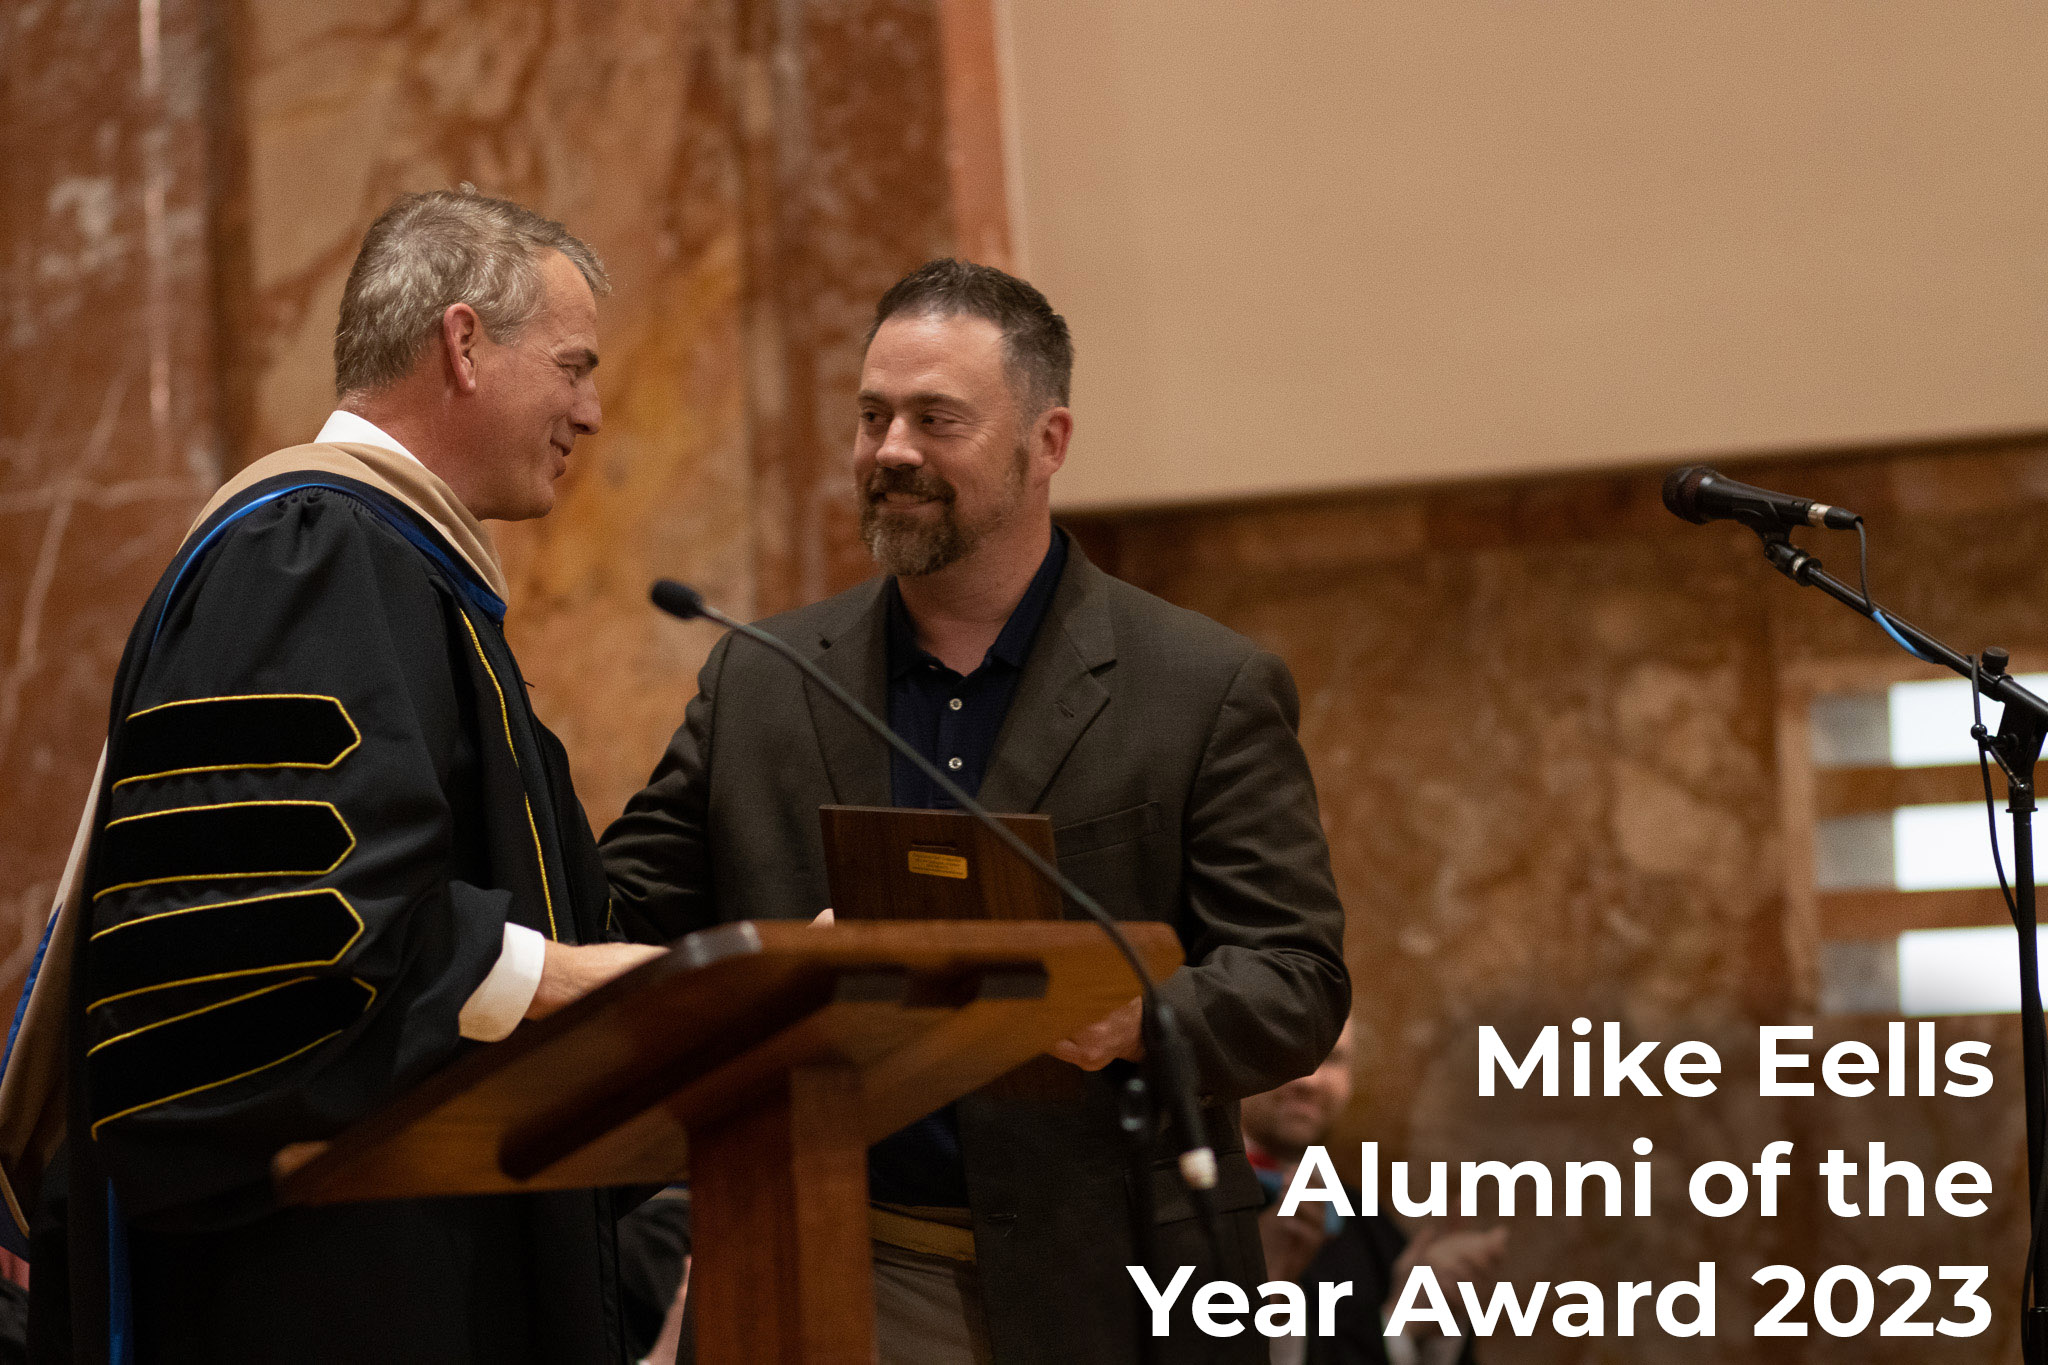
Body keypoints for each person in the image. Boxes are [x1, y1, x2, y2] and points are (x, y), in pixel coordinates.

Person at [600, 258, 1351, 1361]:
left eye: (934, 418)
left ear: (1045, 443)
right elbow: (619, 920)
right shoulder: (759, 677)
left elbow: (1296, 981)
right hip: (810, 1267)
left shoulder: (1199, 687)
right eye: (871, 417)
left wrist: (1134, 1015)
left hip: (1100, 1290)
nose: (890, 451)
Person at [0, 188, 664, 1363]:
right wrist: (548, 977)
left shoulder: (395, 565)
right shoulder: (306, 548)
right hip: (316, 1286)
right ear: (463, 344)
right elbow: (267, 953)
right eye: (572, 365)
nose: (593, 410)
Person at [1242, 1020, 1506, 1365]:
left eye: (1332, 1059)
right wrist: (1398, 1329)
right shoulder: (1177, 1211)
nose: (1311, 1080)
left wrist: (1435, 1314)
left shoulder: (1366, 1222)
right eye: (1287, 1053)